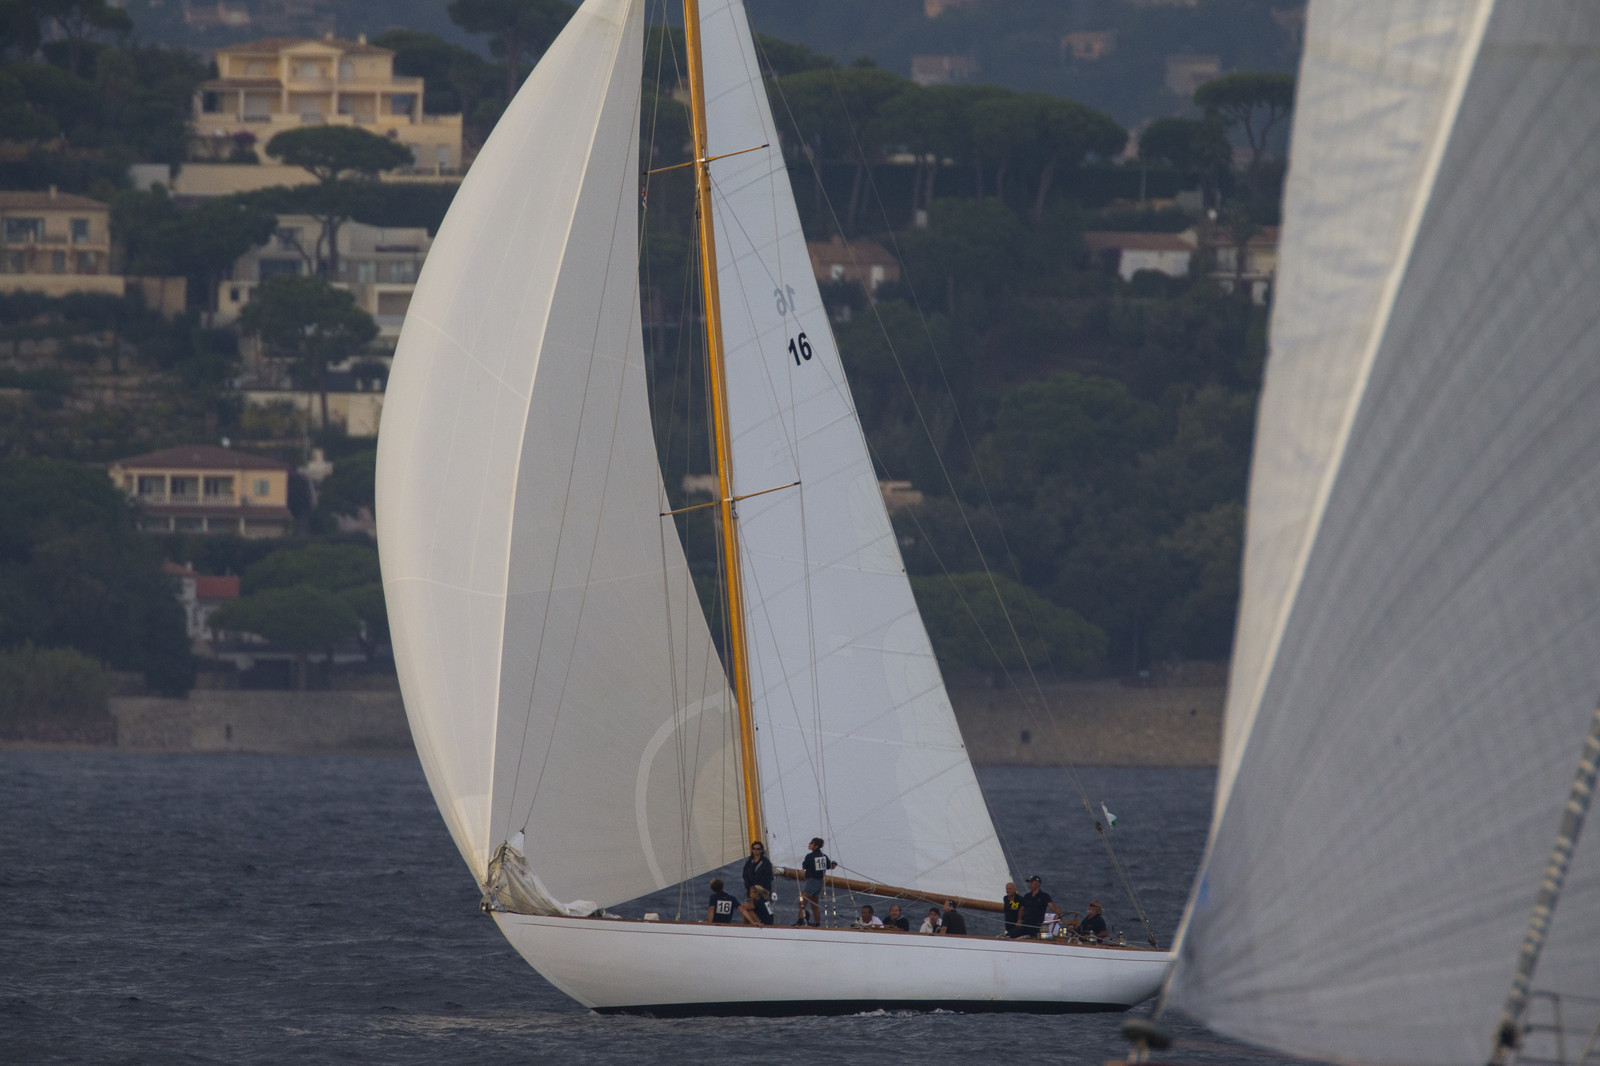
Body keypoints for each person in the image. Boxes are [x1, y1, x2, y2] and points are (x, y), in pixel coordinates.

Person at [794, 837, 836, 926]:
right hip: (819, 883)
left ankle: (800, 920)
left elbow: (803, 867)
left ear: (816, 846)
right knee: (815, 905)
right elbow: (830, 866)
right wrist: (834, 863)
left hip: (811, 882)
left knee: (802, 903)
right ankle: (817, 923)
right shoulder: (824, 857)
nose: (809, 844)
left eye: (811, 843)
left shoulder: (810, 856)